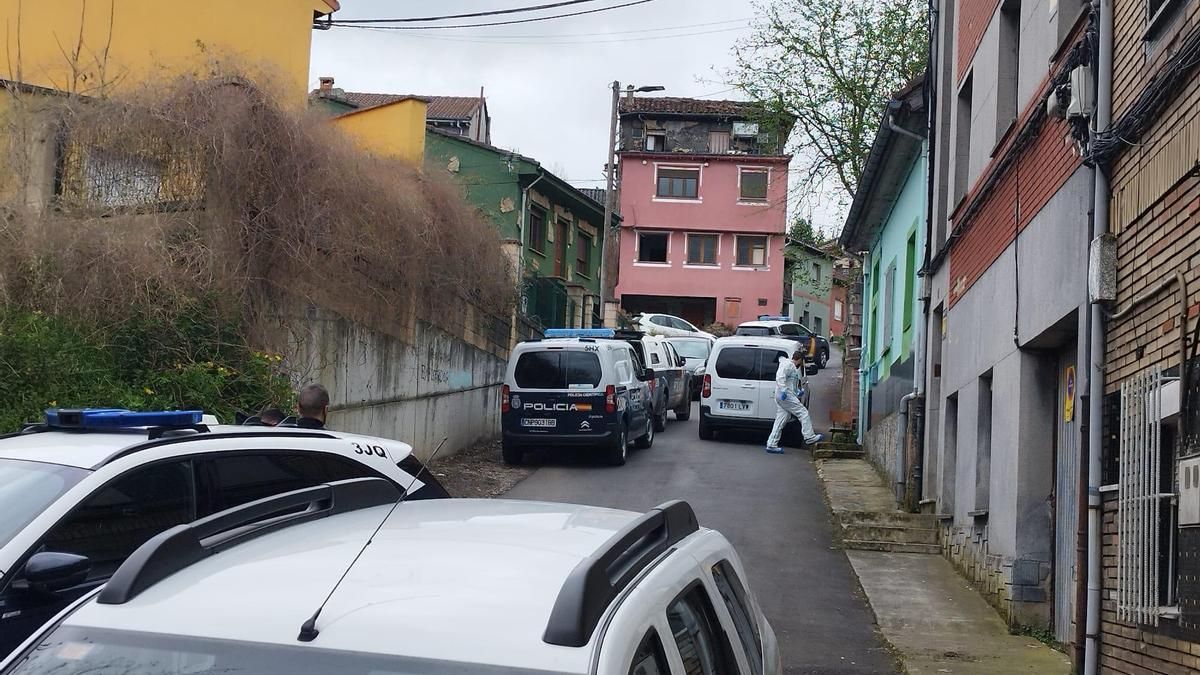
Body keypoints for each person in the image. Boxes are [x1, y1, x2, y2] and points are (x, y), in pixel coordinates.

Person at [766, 349, 823, 454]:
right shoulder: (788, 365)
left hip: (783, 395)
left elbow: (791, 383)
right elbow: (780, 377)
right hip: (785, 395)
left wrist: (797, 392)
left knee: (781, 419)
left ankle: (772, 443)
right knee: (803, 412)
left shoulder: (790, 366)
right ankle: (809, 436)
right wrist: (783, 390)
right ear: (800, 359)